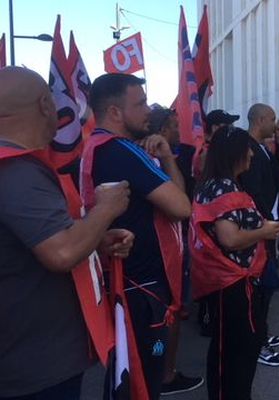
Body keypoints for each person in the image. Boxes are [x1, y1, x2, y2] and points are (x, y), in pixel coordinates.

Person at [0, 67, 133, 399]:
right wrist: (106, 208)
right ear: (47, 106)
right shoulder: (17, 171)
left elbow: (30, 246)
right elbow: (59, 252)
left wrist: (95, 242)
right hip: (35, 369)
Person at [82, 73, 191, 399]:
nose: (148, 110)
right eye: (140, 103)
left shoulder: (98, 146)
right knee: (144, 376)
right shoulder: (122, 151)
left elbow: (176, 199)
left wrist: (168, 158)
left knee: (125, 374)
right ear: (115, 112)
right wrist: (165, 161)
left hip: (125, 285)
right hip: (143, 293)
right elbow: (182, 207)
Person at [190, 126, 279, 400]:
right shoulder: (225, 186)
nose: (252, 154)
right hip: (235, 283)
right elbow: (229, 239)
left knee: (226, 349)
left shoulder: (210, 185)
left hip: (226, 283)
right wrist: (264, 231)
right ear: (235, 154)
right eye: (248, 148)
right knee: (239, 352)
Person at [146, 106, 205, 395]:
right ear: (164, 130)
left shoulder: (166, 159)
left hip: (171, 250)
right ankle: (163, 373)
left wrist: (169, 157)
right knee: (164, 323)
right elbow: (182, 204)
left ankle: (161, 370)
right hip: (161, 257)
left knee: (169, 317)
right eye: (175, 126)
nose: (181, 132)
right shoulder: (147, 161)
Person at [239, 103, 279, 367]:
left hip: (268, 227)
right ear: (259, 120)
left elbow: (278, 174)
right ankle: (256, 344)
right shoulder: (248, 149)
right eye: (272, 119)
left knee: (266, 288)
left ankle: (262, 334)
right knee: (261, 288)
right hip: (260, 230)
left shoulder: (262, 148)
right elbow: (253, 192)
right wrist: (264, 224)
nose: (275, 124)